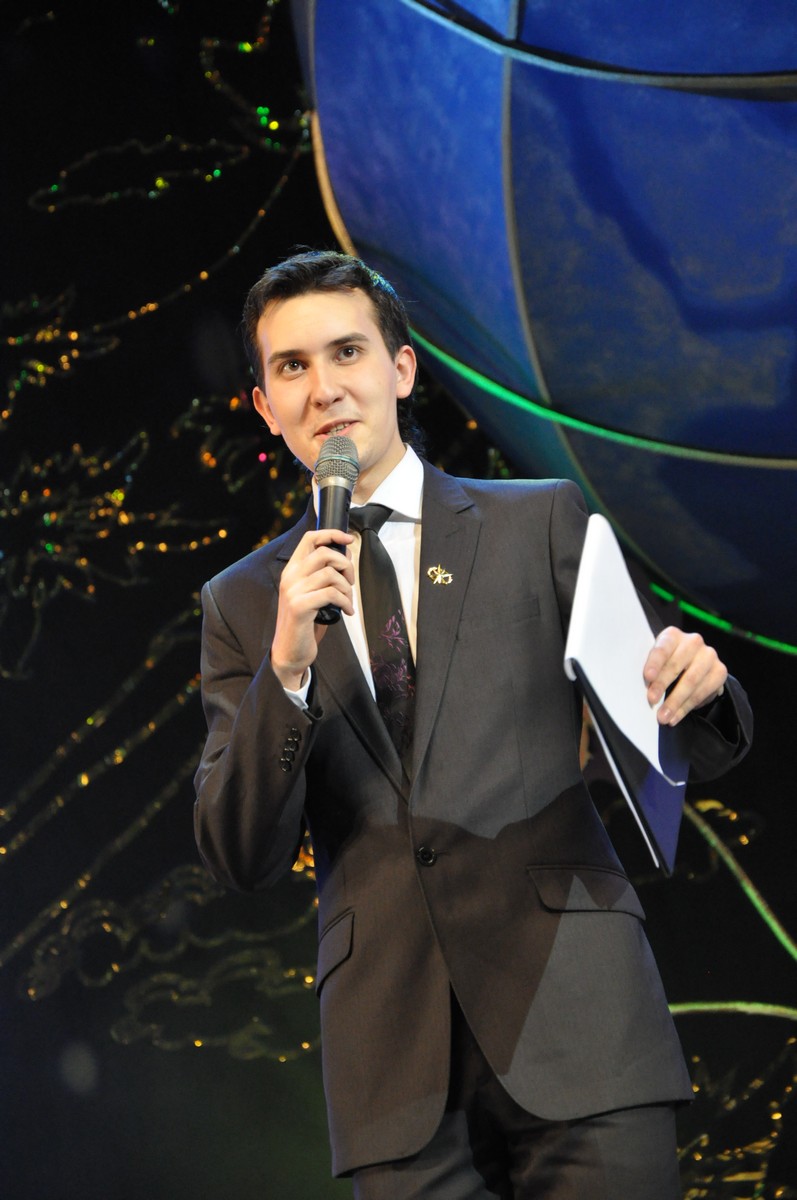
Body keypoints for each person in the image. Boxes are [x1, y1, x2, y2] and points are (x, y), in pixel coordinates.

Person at [194, 250, 752, 1199]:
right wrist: (286, 671)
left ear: (401, 369)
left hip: (577, 1023)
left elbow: (666, 716)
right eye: (291, 367)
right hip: (394, 1072)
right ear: (264, 406)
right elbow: (237, 852)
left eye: (346, 352)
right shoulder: (244, 603)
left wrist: (699, 688)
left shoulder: (538, 521)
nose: (324, 388)